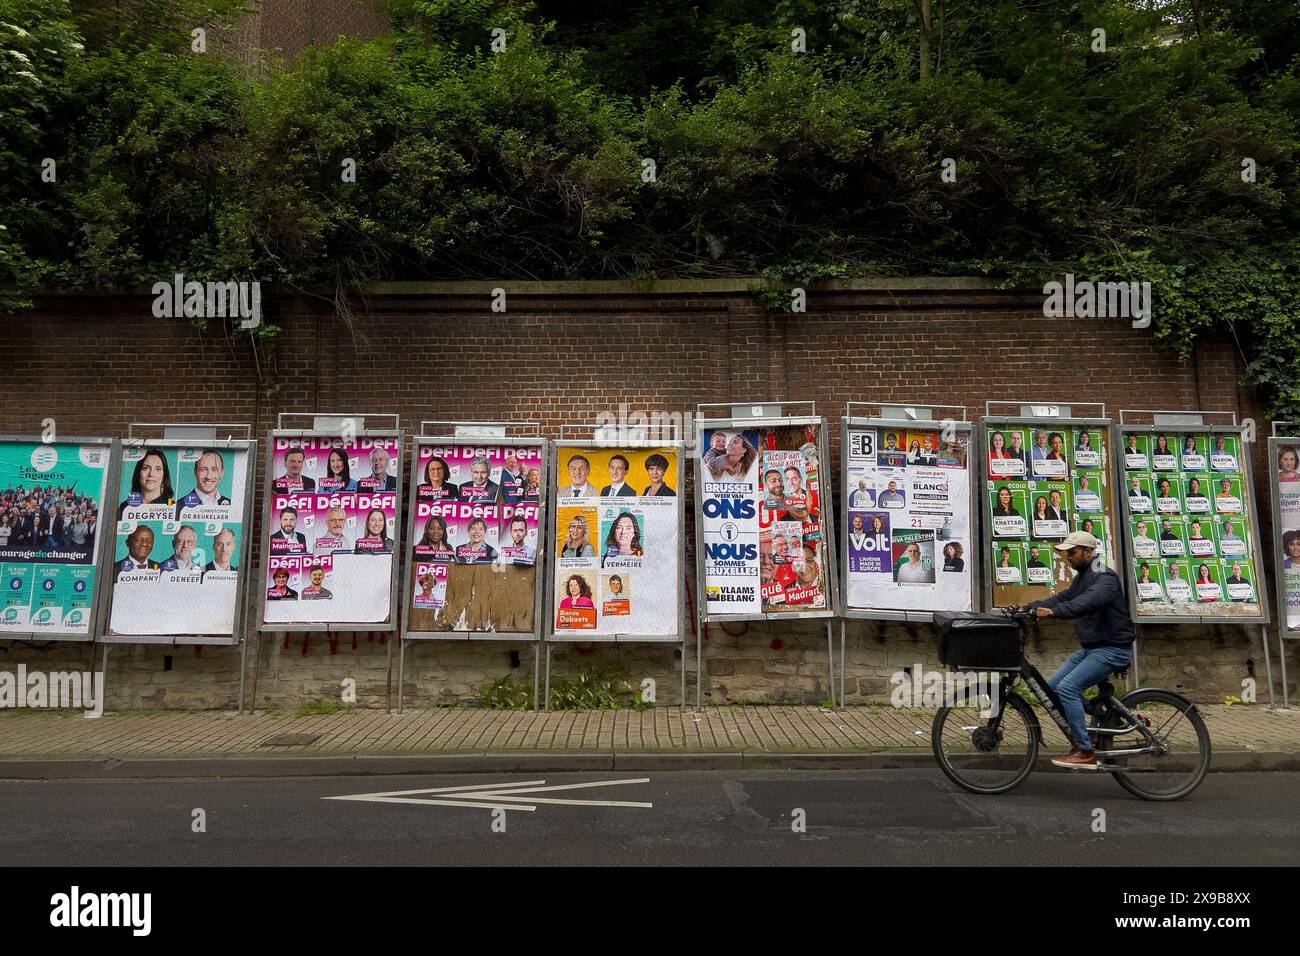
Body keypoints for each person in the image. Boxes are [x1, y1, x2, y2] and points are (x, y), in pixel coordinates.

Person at [1022, 531, 1134, 769]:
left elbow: (1087, 602)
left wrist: (1055, 612)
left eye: (1071, 553)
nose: (1067, 558)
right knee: (1051, 689)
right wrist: (1026, 608)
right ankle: (1099, 711)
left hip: (1112, 649)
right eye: (1065, 554)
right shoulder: (1083, 577)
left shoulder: (1104, 577)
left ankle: (1084, 750)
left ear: (1088, 552)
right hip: (1092, 648)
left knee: (1067, 689)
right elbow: (1061, 598)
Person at [119, 449, 175, 516]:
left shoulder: (172, 505)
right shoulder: (125, 506)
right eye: (146, 468)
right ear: (138, 473)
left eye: (158, 469)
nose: (151, 474)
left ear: (164, 475)